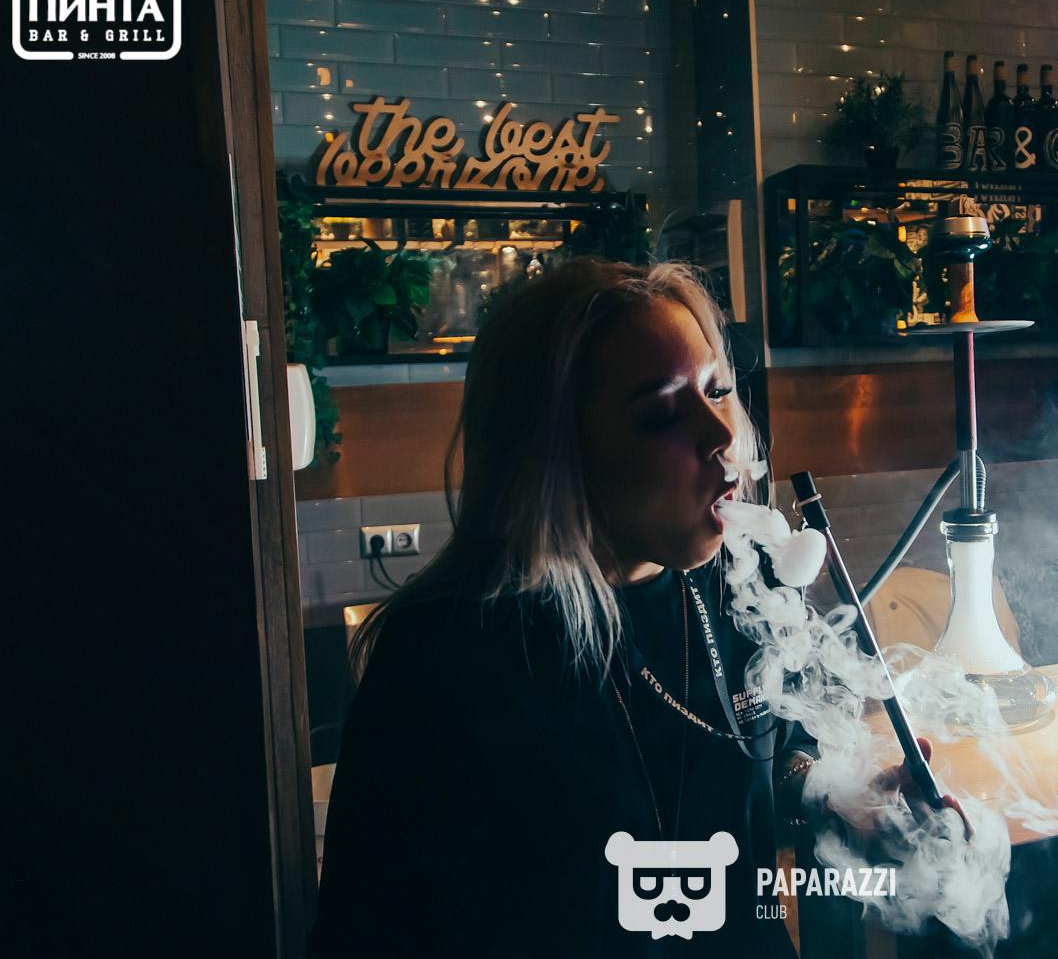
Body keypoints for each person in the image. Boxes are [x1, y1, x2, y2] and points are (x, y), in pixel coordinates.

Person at [307, 259, 960, 958]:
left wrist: (845, 803)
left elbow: (781, 757)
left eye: (717, 390)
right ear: (554, 452)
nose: (722, 436)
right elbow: (367, 930)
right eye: (659, 415)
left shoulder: (745, 584)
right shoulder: (448, 656)